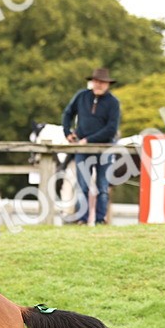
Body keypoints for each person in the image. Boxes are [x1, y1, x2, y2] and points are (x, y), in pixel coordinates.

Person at [61, 67, 122, 224]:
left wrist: (88, 140)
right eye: (96, 81)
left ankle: (100, 219)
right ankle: (82, 218)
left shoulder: (113, 103)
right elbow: (68, 113)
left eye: (102, 82)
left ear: (108, 84)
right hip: (83, 148)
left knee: (102, 186)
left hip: (104, 148)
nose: (98, 85)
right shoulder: (82, 96)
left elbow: (111, 129)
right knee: (82, 186)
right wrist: (67, 132)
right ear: (92, 82)